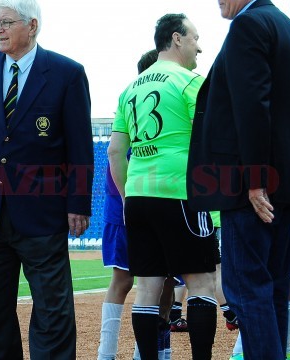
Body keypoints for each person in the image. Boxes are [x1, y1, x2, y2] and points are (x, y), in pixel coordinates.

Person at [186, 1, 290, 359]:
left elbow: (252, 104)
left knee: (245, 286)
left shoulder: (248, 25)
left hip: (252, 184)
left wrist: (255, 178)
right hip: (285, 183)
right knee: (270, 287)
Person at [0, 0, 94, 358]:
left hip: (43, 214)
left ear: (32, 25)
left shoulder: (67, 73)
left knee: (52, 312)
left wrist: (78, 203)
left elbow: (80, 146)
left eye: (6, 22)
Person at [108, 13, 219, 359]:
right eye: (195, 38)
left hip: (139, 195)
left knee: (147, 289)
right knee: (201, 284)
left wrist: (128, 197)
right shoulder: (190, 82)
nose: (199, 47)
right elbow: (214, 138)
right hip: (181, 193)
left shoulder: (130, 89)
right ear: (176, 38)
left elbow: (114, 150)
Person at [97, 48, 176, 360]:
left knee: (166, 281)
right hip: (126, 205)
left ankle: (154, 352)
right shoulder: (130, 105)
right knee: (125, 278)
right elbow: (115, 154)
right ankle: (106, 353)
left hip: (160, 202)